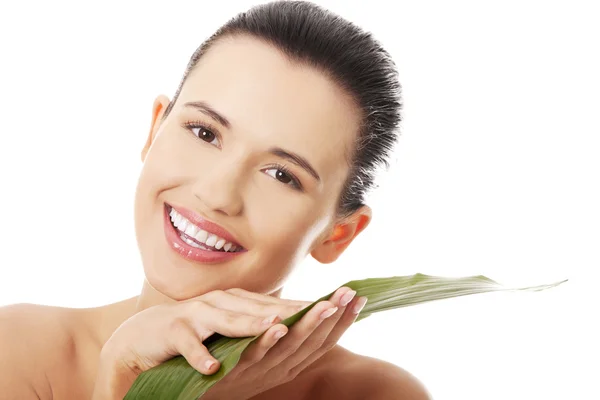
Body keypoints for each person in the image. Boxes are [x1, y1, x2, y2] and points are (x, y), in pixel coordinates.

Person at [0, 1, 430, 399]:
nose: (217, 193)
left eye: (282, 175)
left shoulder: (371, 393)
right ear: (155, 130)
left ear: (339, 234)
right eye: (204, 132)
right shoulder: (20, 351)